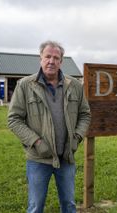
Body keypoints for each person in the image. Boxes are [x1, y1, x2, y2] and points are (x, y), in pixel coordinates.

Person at [7, 41, 91, 213]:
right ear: (40, 59)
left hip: (66, 158)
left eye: (56, 58)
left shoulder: (74, 85)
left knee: (69, 204)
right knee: (35, 206)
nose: (51, 61)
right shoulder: (25, 85)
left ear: (61, 61)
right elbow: (14, 119)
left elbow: (85, 114)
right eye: (48, 57)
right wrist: (36, 142)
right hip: (38, 159)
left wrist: (77, 138)